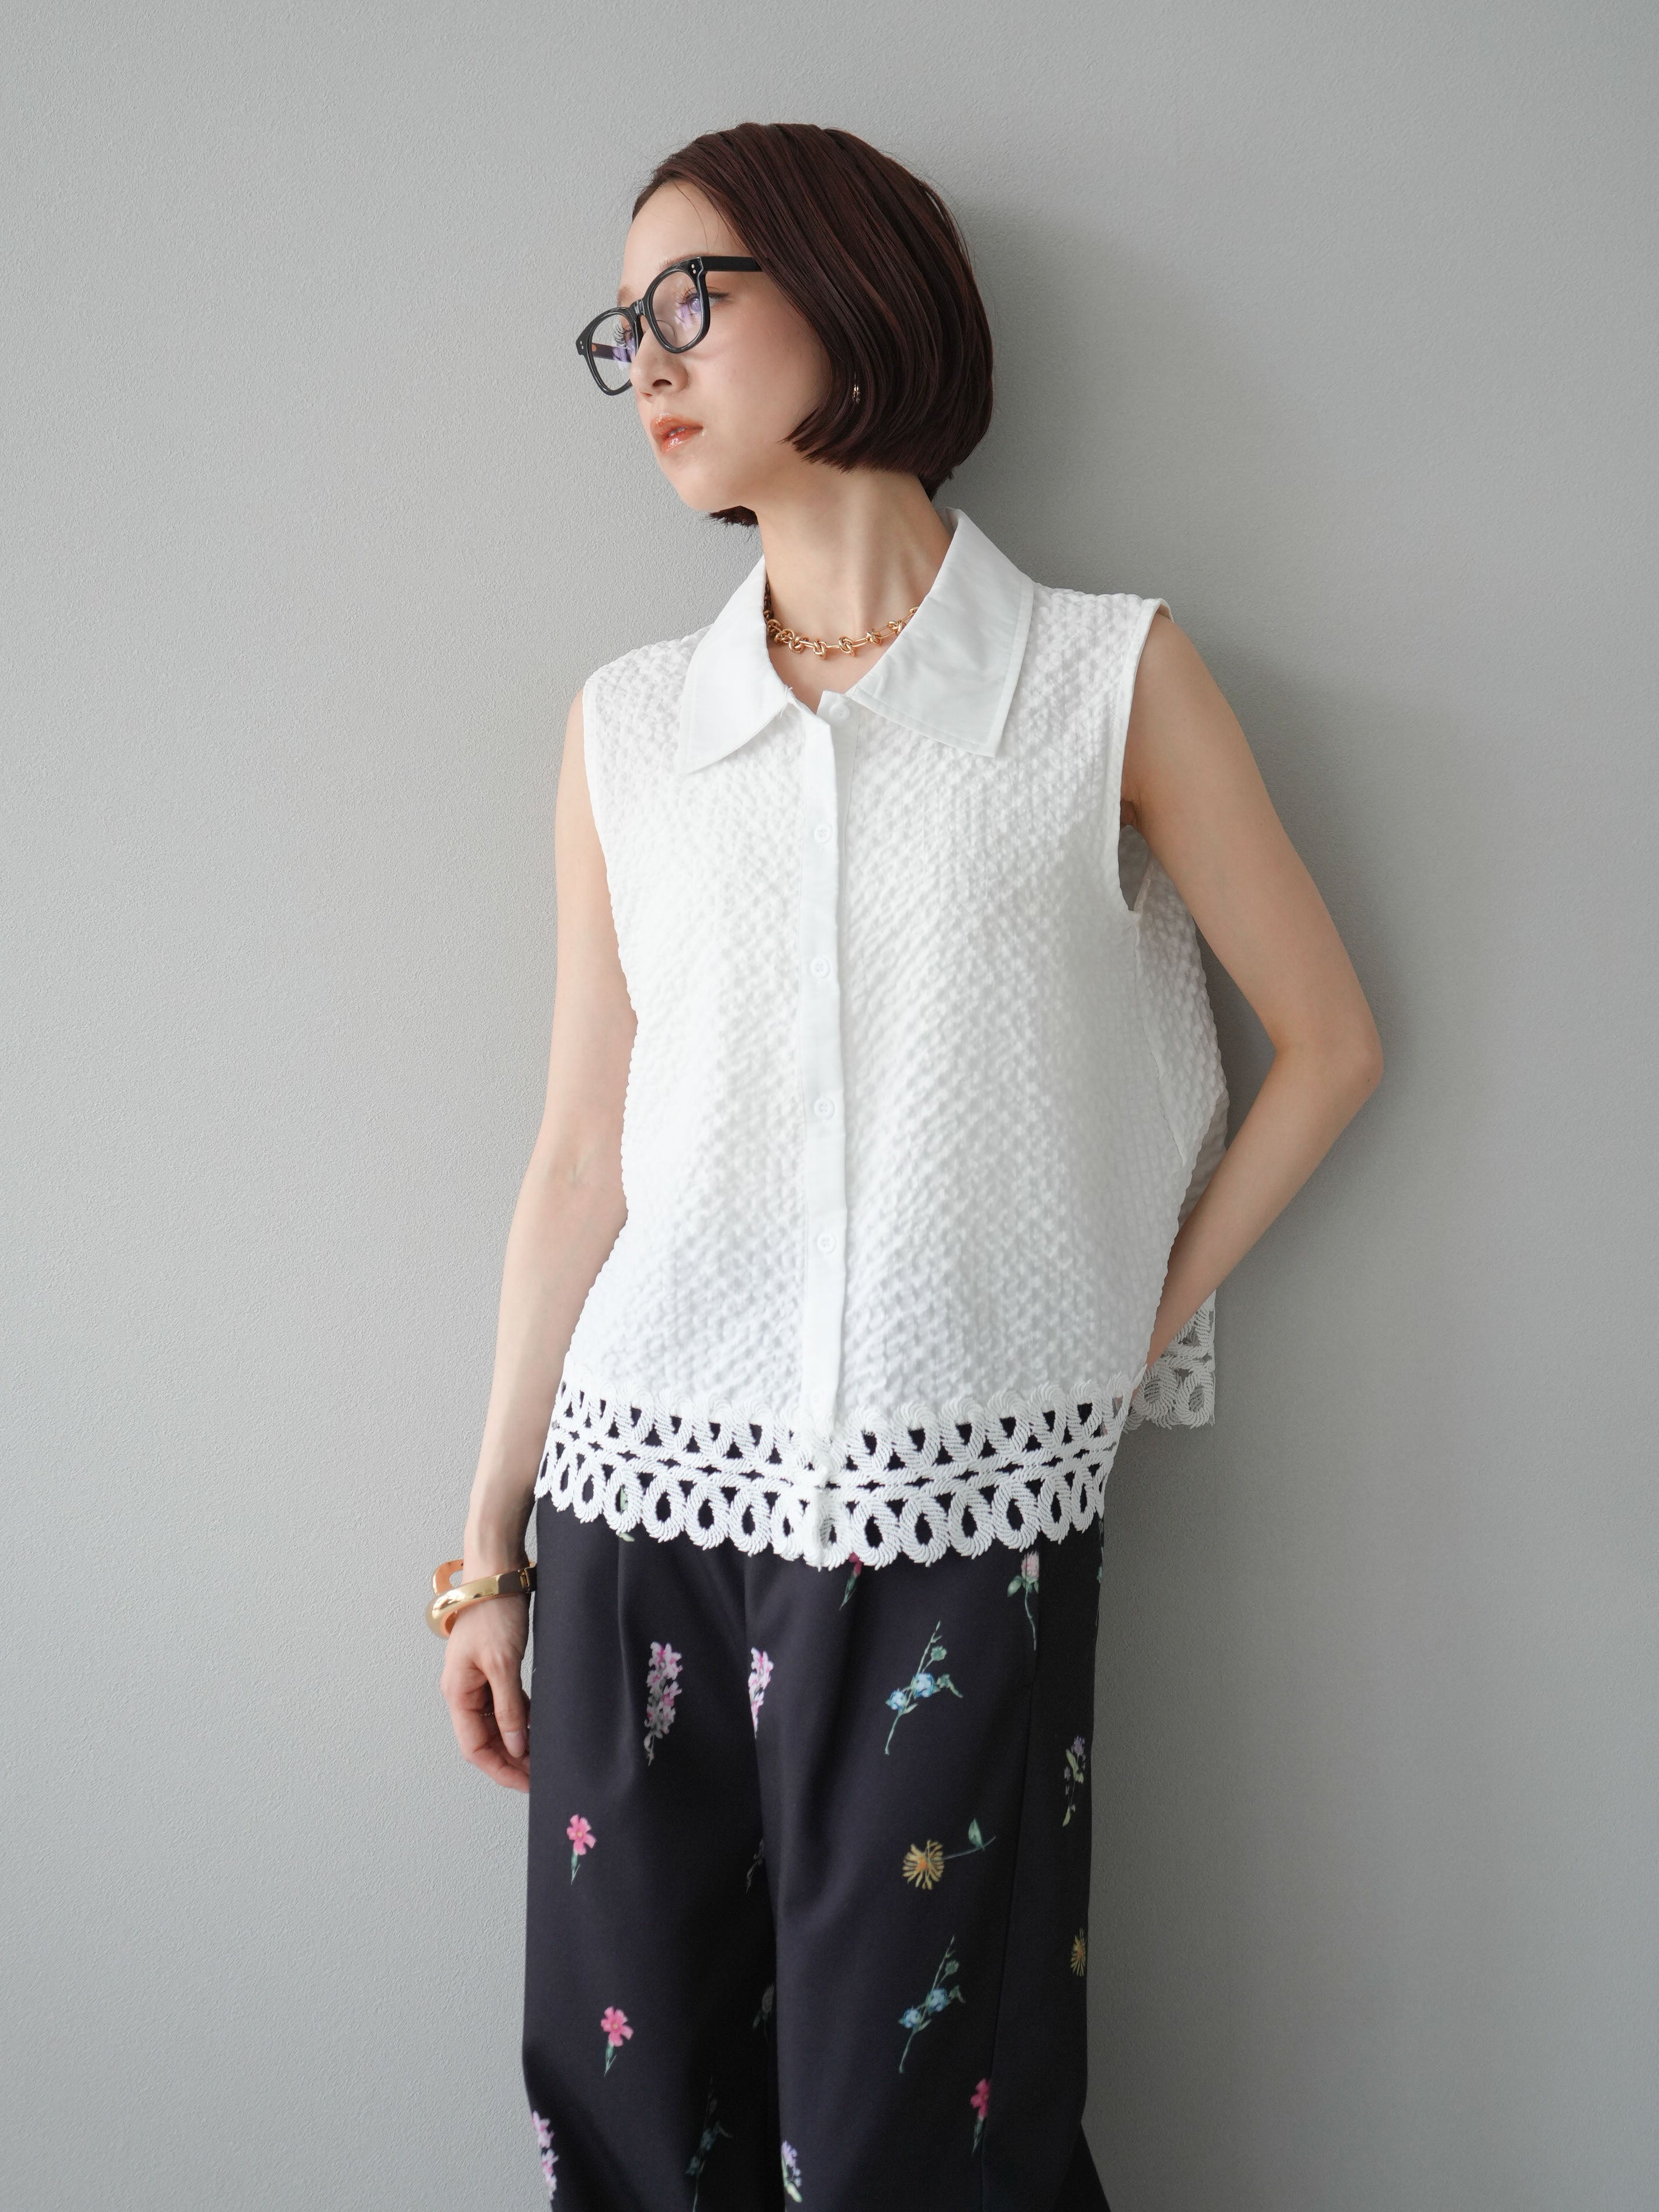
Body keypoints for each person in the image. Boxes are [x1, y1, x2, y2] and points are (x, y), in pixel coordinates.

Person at [436, 122, 1381, 2212]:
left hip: (961, 1517)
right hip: (638, 1510)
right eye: (623, 328)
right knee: (636, 2126)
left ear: (854, 285)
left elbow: (1327, 1047)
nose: (649, 361)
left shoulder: (1101, 678)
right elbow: (581, 1152)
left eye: (693, 300)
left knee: (926, 2136)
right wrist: (487, 1547)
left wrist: (1115, 1332)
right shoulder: (629, 730)